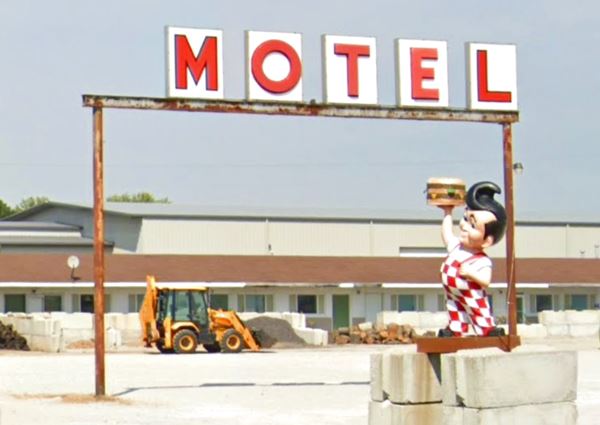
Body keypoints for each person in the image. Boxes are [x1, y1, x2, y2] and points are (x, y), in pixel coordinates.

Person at [438, 181, 507, 337]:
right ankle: (456, 330)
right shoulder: (457, 246)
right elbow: (447, 234)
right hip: (453, 293)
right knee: (454, 309)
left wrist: (470, 273)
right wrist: (447, 213)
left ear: (487, 240)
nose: (464, 226)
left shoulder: (481, 260)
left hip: (471, 293)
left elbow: (485, 281)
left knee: (477, 309)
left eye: (472, 225)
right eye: (465, 218)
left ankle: (486, 329)